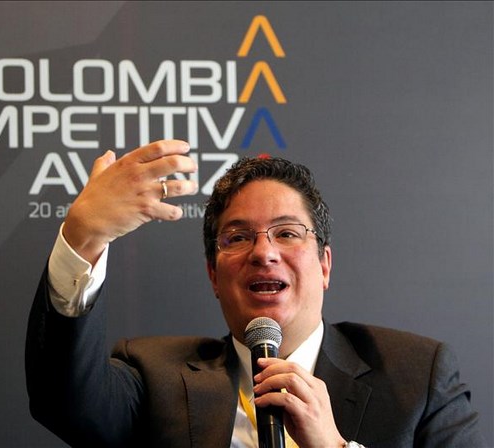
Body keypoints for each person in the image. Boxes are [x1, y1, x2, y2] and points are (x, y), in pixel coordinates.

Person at [25, 140, 484, 447]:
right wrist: (83, 238)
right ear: (213, 274)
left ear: (324, 265)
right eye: (238, 237)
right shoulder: (154, 375)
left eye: (287, 233)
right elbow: (63, 402)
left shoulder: (417, 377)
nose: (263, 253)